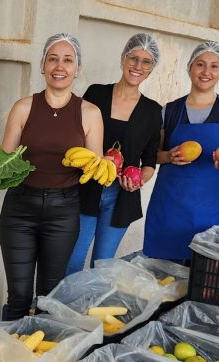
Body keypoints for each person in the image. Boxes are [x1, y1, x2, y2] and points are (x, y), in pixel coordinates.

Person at [0, 33, 104, 319]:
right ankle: (11, 348)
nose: (60, 66)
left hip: (63, 212)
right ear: (43, 65)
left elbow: (95, 167)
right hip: (19, 209)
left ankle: (43, 347)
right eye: (53, 59)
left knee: (49, 297)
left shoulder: (90, 113)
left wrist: (104, 166)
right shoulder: (23, 107)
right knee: (18, 296)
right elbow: (5, 159)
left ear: (77, 68)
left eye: (68, 60)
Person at [65, 33, 163, 275]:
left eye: (146, 62)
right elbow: (75, 136)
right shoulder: (96, 94)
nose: (138, 66)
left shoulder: (152, 111)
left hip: (121, 197)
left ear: (152, 69)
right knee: (71, 262)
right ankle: (64, 302)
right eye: (133, 58)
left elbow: (149, 161)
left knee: (102, 267)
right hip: (85, 188)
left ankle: (92, 302)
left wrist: (138, 180)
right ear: (122, 59)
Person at [143, 41, 219, 262]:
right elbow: (153, 154)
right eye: (200, 64)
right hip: (170, 208)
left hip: (212, 209)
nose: (206, 72)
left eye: (214, 66)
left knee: (206, 271)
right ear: (190, 67)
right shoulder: (169, 111)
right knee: (163, 272)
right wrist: (169, 156)